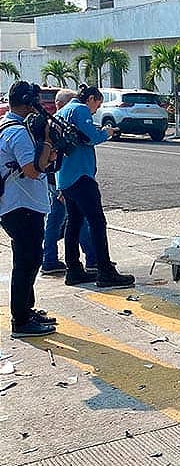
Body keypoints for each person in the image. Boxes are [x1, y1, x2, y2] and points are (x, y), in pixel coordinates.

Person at [56, 84, 135, 288]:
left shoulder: (63, 110)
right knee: (97, 223)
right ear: (91, 98)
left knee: (73, 224)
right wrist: (106, 132)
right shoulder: (80, 110)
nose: (96, 110)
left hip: (65, 177)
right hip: (81, 175)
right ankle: (105, 271)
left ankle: (73, 270)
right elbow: (90, 136)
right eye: (97, 105)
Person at [0, 81, 58, 337]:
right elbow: (33, 171)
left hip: (15, 205)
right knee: (27, 261)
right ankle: (21, 320)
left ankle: (26, 309)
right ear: (27, 101)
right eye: (36, 100)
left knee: (25, 258)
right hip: (21, 206)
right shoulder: (18, 132)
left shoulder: (6, 126)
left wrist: (47, 152)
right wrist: (46, 140)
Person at [41, 89, 95, 275]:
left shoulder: (54, 123)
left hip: (57, 179)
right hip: (59, 180)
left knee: (62, 220)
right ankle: (91, 258)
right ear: (61, 104)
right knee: (76, 220)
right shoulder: (57, 125)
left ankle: (52, 259)